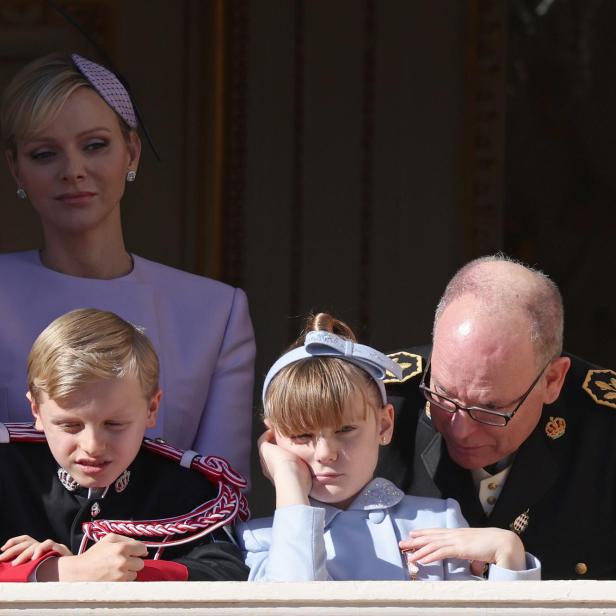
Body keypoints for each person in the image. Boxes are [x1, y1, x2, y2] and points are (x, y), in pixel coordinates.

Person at [0, 52, 255, 482]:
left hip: (167, 548)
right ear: (16, 169)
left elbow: (223, 494)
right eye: (45, 154)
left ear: (131, 152)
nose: (73, 170)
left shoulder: (216, 312)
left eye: (94, 145)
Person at [238, 313, 540, 581]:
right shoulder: (259, 539)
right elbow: (292, 608)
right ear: (275, 440)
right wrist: (289, 483)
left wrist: (509, 554)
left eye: (345, 430)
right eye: (302, 435)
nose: (325, 452)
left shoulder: (437, 521)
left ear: (384, 425)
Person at [379, 254, 616, 580]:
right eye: (443, 395)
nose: (460, 431)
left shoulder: (605, 433)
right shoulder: (371, 406)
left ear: (552, 382)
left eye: (490, 409)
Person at [0, 308, 249, 582]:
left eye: (114, 424)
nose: (92, 445)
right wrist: (58, 571)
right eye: (70, 425)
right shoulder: (8, 469)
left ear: (152, 408)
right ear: (36, 411)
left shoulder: (185, 488)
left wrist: (128, 570)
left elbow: (226, 572)